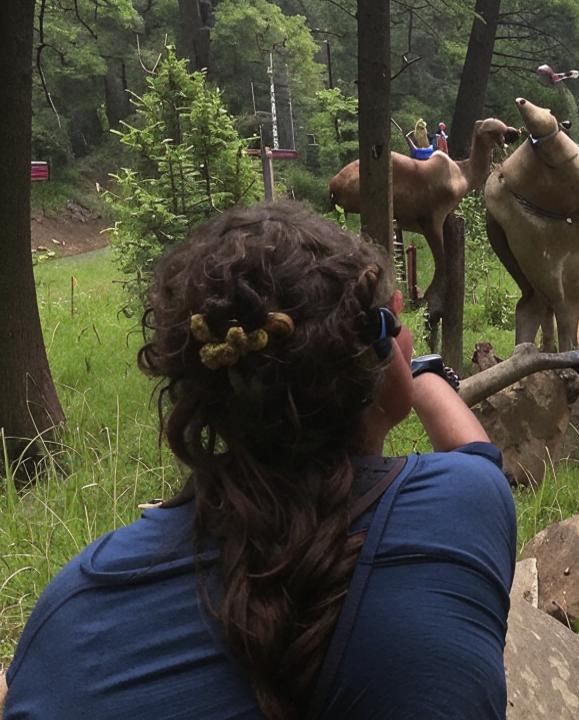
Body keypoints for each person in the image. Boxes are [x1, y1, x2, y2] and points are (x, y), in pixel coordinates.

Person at [2, 202, 515, 719]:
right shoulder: (462, 507)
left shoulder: (75, 611)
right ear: (381, 352)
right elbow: (476, 457)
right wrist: (422, 377)